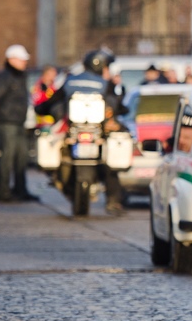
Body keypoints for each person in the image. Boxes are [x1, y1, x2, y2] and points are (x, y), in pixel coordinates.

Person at [35, 49, 128, 216]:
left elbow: (54, 101)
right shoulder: (105, 84)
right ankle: (113, 201)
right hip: (96, 133)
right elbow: (115, 105)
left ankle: (63, 181)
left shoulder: (71, 80)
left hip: (73, 132)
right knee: (111, 158)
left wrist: (41, 109)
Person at [0, 45, 38, 203]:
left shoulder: (20, 76)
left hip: (19, 121)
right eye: (22, 59)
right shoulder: (5, 76)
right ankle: (4, 192)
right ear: (12, 59)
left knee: (21, 158)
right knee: (6, 158)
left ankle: (21, 190)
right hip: (7, 122)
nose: (24, 62)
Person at [31, 65, 58, 129]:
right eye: (52, 75)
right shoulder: (38, 87)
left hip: (54, 123)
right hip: (42, 123)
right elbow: (37, 101)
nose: (54, 77)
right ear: (46, 75)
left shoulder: (54, 86)